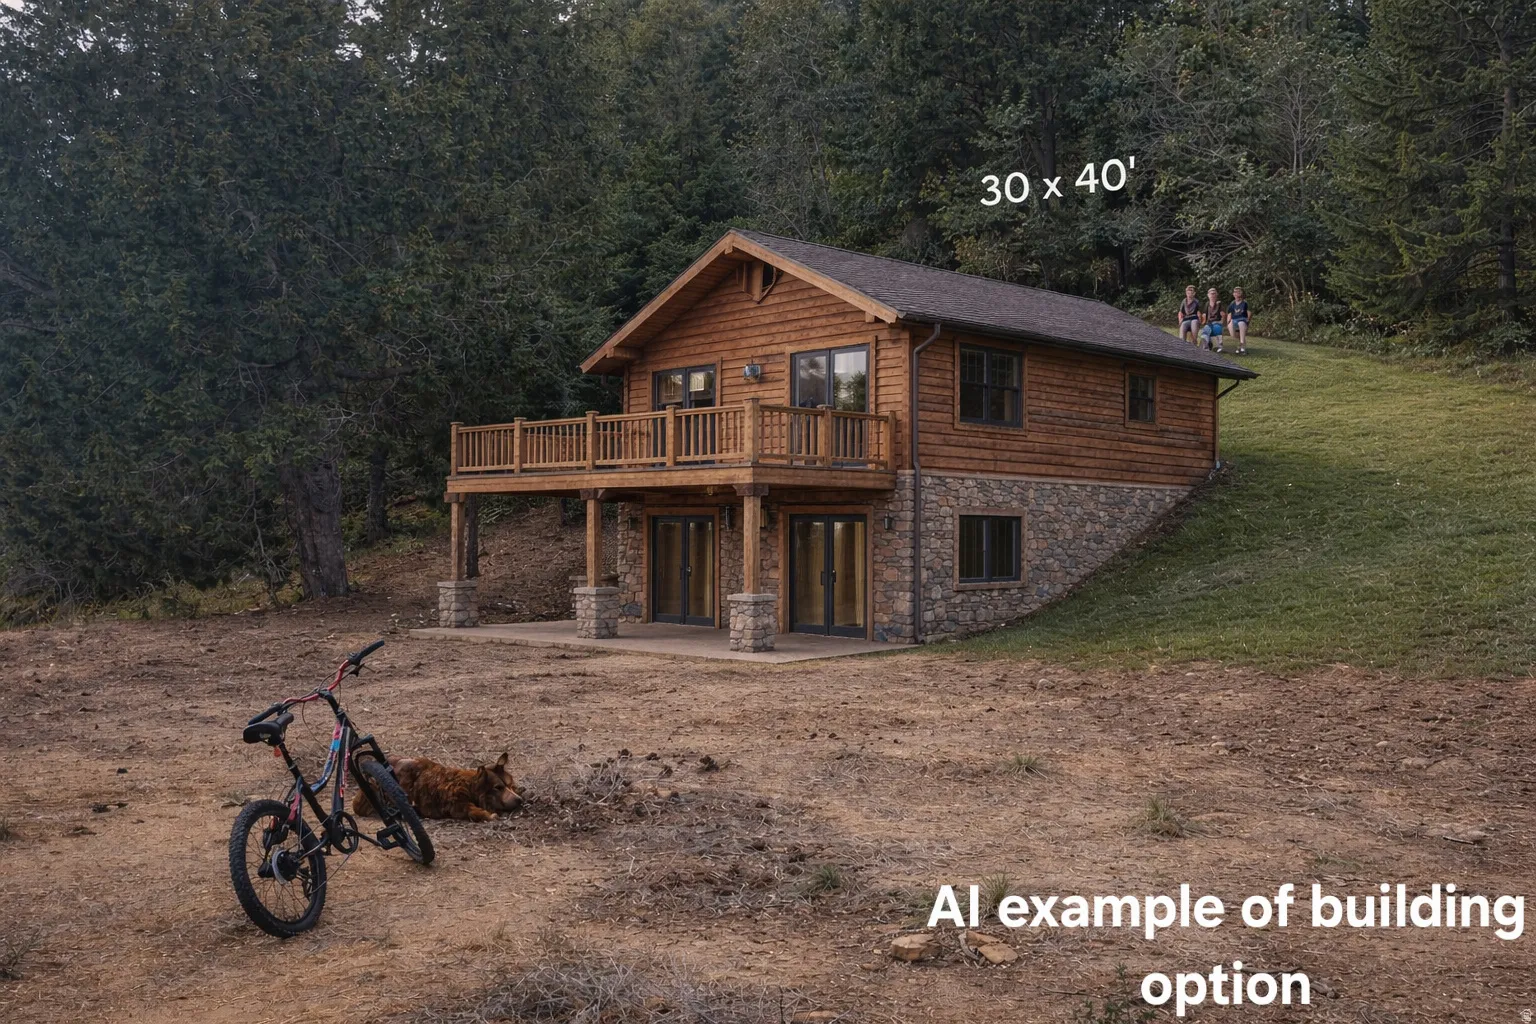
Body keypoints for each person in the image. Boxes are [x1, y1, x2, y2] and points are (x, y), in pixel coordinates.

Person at [1198, 288, 1226, 352]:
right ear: (1208, 295)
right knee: (1204, 332)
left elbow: (1223, 315)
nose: (1213, 295)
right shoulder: (1207, 304)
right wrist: (1202, 320)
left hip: (1217, 322)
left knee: (1217, 328)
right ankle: (1206, 347)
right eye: (1211, 294)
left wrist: (1221, 322)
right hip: (1209, 323)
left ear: (1216, 295)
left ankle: (1219, 347)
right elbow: (1204, 315)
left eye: (1214, 293)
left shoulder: (1219, 304)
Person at [1225, 287, 1250, 354]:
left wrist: (1248, 322)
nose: (1237, 293)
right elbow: (1229, 314)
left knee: (1241, 323)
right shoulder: (1232, 303)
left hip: (1242, 320)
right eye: (1235, 292)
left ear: (1241, 293)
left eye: (1239, 292)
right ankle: (1236, 346)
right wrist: (1228, 322)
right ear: (1233, 294)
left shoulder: (1245, 303)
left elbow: (1249, 313)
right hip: (1234, 320)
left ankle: (1242, 348)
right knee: (1231, 326)